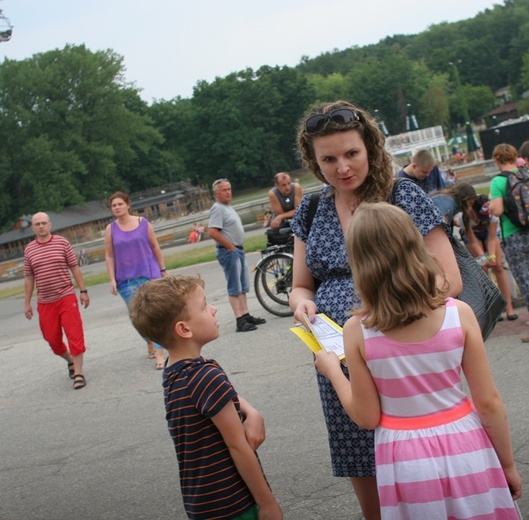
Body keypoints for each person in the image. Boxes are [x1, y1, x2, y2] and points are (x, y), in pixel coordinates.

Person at [289, 100, 462, 519]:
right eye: (328, 158)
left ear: (369, 147)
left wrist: (386, 310)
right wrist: (302, 304)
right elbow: (298, 285)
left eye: (351, 153)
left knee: (421, 464)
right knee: (364, 469)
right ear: (313, 161)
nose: (342, 167)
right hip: (341, 361)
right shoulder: (311, 210)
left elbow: (448, 280)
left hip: (403, 354)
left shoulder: (401, 195)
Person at [314, 202, 522, 518]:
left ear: (359, 263)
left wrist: (333, 372)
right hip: (468, 449)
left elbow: (366, 416)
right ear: (416, 248)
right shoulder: (459, 314)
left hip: (404, 462)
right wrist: (506, 463)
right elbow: (489, 401)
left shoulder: (358, 331)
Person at [128, 275, 283, 520]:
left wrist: (251, 412)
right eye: (204, 306)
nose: (213, 310)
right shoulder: (205, 376)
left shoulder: (175, 369)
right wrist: (268, 504)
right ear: (184, 329)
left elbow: (218, 397)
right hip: (233, 504)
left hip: (203, 506)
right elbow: (239, 447)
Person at [23, 212, 90, 390]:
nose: (41, 226)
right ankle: (70, 361)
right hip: (45, 302)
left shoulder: (62, 243)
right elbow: (29, 278)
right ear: (32, 227)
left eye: (44, 223)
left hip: (66, 296)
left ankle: (79, 373)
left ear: (50, 225)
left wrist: (83, 291)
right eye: (37, 224)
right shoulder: (29, 249)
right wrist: (27, 302)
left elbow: (74, 267)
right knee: (52, 339)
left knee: (74, 334)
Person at [104, 191, 168, 369]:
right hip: (125, 279)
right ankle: (150, 343)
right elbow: (109, 255)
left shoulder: (142, 223)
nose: (117, 208)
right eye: (114, 205)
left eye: (120, 204)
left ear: (127, 205)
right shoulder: (111, 229)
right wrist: (112, 279)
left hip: (149, 274)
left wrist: (163, 270)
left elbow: (155, 246)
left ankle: (160, 353)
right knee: (137, 317)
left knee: (153, 313)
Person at [452, 182, 517, 321]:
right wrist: (482, 257)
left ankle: (509, 307)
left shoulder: (490, 212)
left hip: (489, 235)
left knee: (498, 266)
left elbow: (492, 237)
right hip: (473, 237)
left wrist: (492, 255)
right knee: (482, 270)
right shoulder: (464, 216)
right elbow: (473, 240)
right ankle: (493, 310)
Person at [208, 179, 266, 333]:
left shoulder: (227, 207)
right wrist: (230, 246)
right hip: (229, 251)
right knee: (234, 286)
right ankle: (239, 319)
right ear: (216, 193)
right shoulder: (218, 208)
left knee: (242, 285)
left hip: (237, 250)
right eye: (224, 190)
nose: (228, 192)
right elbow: (212, 231)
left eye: (229, 189)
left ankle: (245, 315)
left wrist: (240, 246)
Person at [489, 144, 529, 342]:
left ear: (497, 160)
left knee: (525, 280)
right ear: (515, 157)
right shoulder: (525, 174)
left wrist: (490, 204)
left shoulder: (498, 181)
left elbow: (496, 210)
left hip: (513, 236)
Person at [266, 172, 302, 246]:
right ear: (277, 186)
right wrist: (280, 216)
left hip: (296, 218)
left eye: (289, 183)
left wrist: (280, 216)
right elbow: (280, 213)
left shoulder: (296, 188)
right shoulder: (273, 194)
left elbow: (298, 210)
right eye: (284, 185)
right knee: (275, 232)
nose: (288, 187)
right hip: (282, 222)